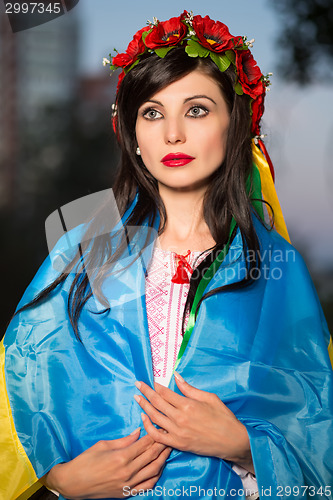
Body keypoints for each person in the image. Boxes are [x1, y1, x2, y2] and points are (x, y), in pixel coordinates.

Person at [1, 11, 333, 500]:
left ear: (234, 124)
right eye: (152, 112)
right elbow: (15, 394)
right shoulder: (80, 251)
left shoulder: (276, 269)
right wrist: (61, 481)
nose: (172, 134)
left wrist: (245, 448)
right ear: (132, 133)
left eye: (196, 109)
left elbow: (317, 435)